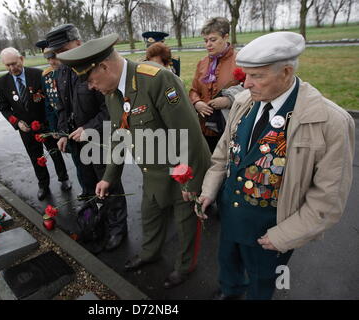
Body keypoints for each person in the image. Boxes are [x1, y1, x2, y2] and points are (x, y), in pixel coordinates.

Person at [197, 31, 355, 300]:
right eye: (245, 74)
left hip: (272, 232)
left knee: (263, 279)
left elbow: (328, 200)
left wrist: (284, 236)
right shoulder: (244, 103)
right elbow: (223, 154)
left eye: (256, 76)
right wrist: (209, 190)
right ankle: (231, 289)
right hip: (232, 216)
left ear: (286, 72)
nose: (245, 84)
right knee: (228, 261)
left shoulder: (330, 122)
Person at [56, 33, 212, 288]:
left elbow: (189, 137)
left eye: (91, 81)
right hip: (152, 170)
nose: (92, 87)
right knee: (150, 216)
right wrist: (108, 178)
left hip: (182, 170)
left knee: (186, 227)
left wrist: (191, 184)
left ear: (104, 67)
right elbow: (120, 136)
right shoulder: (112, 92)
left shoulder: (157, 80)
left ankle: (185, 267)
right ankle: (150, 254)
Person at [46, 24, 128, 251]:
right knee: (88, 186)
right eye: (56, 51)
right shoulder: (61, 72)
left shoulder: (94, 69)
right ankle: (96, 223)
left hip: (99, 140)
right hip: (76, 142)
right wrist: (63, 134)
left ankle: (117, 229)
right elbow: (62, 107)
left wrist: (88, 128)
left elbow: (111, 110)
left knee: (109, 186)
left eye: (64, 48)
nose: (60, 55)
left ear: (78, 44)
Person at [0, 47, 71, 201]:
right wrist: (17, 123)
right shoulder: (1, 83)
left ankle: (64, 178)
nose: (12, 68)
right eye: (7, 65)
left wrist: (53, 125)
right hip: (26, 129)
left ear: (21, 59)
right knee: (36, 157)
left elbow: (49, 101)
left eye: (14, 63)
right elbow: (4, 108)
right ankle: (43, 185)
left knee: (55, 153)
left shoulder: (38, 75)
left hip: (46, 124)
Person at [189, 17, 244, 153]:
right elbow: (193, 90)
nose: (208, 44)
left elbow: (251, 90)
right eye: (206, 40)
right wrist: (196, 103)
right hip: (204, 128)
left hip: (230, 128)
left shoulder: (241, 60)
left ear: (225, 37)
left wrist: (229, 100)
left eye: (213, 40)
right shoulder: (202, 63)